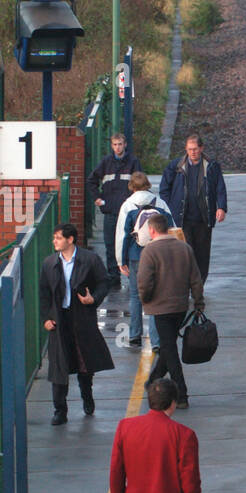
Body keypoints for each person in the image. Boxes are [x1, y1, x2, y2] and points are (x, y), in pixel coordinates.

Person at [39, 224, 115, 425]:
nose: (54, 241)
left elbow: (104, 282)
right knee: (58, 365)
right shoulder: (49, 264)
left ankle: (87, 395)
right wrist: (46, 318)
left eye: (58, 238)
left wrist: (94, 298)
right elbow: (44, 293)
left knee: (84, 361)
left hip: (82, 317)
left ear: (70, 239)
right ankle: (59, 410)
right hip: (59, 318)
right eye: (54, 237)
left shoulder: (89, 260)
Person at [138, 213, 204, 409]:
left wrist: (146, 299)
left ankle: (181, 393)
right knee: (168, 345)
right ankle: (153, 380)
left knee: (169, 349)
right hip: (180, 306)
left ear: (151, 230)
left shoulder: (150, 251)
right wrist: (198, 302)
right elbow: (196, 279)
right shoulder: (184, 248)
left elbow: (144, 282)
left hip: (160, 307)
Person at [115, 172, 174, 349]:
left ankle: (134, 335)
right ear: (147, 184)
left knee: (135, 295)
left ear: (132, 186)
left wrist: (120, 260)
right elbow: (172, 227)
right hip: (159, 255)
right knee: (156, 296)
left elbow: (122, 235)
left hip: (136, 256)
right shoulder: (160, 203)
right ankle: (156, 341)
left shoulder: (128, 205)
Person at [159, 133, 227, 284]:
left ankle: (200, 283)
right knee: (185, 252)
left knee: (202, 253)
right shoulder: (176, 166)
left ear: (201, 148)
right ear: (186, 149)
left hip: (204, 218)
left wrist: (221, 207)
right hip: (182, 219)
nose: (193, 152)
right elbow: (164, 188)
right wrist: (169, 207)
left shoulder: (211, 166)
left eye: (195, 149)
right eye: (190, 149)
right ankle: (187, 283)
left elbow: (220, 188)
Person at [86, 133, 142, 290]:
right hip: (110, 211)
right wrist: (97, 198)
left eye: (120, 144)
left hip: (129, 211)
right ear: (112, 146)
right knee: (110, 244)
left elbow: (140, 181)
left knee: (131, 243)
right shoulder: (106, 163)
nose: (118, 147)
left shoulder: (133, 162)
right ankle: (113, 277)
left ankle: (133, 276)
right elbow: (91, 180)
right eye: (115, 144)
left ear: (125, 145)